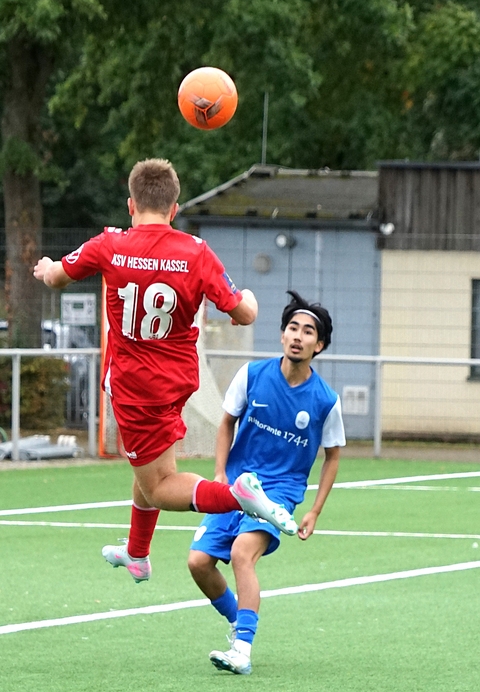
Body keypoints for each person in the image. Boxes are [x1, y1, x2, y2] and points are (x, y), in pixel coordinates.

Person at [33, 158, 296, 584]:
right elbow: (244, 313)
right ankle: (137, 554)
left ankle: (237, 496)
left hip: (134, 389)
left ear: (130, 205)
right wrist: (248, 295)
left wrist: (47, 267)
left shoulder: (110, 243)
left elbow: (57, 278)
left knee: (159, 486)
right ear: (174, 209)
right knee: (148, 469)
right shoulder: (196, 252)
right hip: (177, 384)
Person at [187, 290, 345, 676]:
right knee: (198, 563)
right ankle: (237, 619)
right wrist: (220, 473)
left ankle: (242, 650)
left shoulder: (326, 401)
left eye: (308, 331)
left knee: (242, 552)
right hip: (237, 485)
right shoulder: (252, 375)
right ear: (282, 334)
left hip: (279, 492)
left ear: (319, 345)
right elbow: (226, 422)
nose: (298, 336)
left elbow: (333, 456)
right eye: (292, 328)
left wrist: (315, 510)